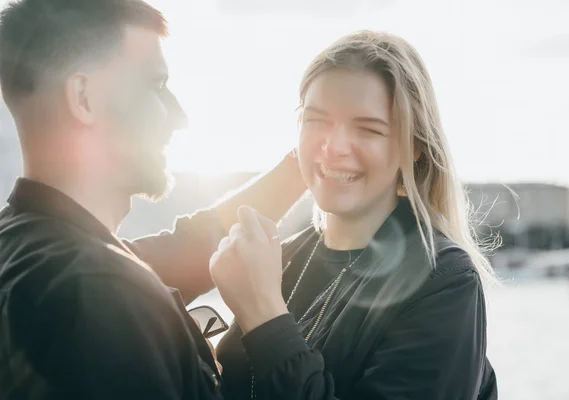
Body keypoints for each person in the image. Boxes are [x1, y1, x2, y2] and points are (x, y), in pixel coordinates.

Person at [0, 0, 305, 399]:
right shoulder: (106, 297)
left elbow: (185, 249)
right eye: (156, 85)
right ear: (84, 97)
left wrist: (302, 166)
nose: (180, 117)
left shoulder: (25, 249)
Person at [208, 31, 499, 399]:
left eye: (368, 129)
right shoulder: (283, 258)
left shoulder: (444, 281)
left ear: (416, 147)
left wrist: (264, 316)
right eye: (316, 121)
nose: (334, 147)